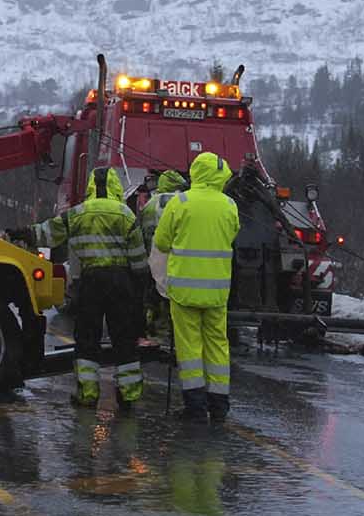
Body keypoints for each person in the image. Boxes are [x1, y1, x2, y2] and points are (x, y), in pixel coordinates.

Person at [33, 166, 150, 407]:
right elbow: (138, 259)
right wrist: (142, 285)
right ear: (116, 186)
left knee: (87, 339)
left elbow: (47, 233)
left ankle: (88, 394)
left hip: (91, 281)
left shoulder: (78, 213)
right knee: (124, 339)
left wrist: (21, 234)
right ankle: (128, 395)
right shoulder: (126, 215)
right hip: (120, 282)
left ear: (91, 187)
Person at [155, 152, 239, 422]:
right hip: (217, 292)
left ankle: (195, 406)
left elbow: (162, 242)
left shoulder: (180, 203)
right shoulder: (229, 205)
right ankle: (219, 405)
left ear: (195, 172)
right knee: (217, 345)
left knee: (189, 348)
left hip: (184, 292)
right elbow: (233, 234)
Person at [136, 168, 189, 344]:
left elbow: (142, 231)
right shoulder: (183, 202)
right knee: (172, 299)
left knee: (151, 297)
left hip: (153, 257)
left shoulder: (150, 205)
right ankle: (172, 335)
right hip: (178, 260)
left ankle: (152, 332)